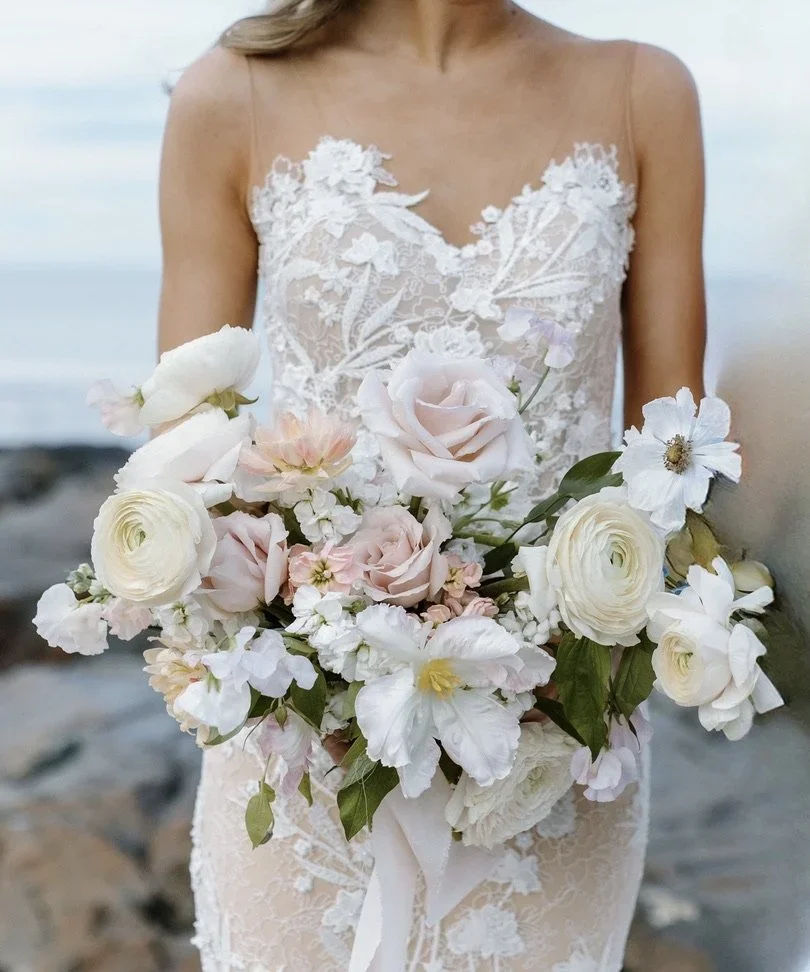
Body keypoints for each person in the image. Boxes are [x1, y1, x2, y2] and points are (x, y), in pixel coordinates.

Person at [157, 1, 706, 968]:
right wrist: (318, 636)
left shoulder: (640, 91)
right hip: (305, 745)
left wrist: (578, 658)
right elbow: (185, 459)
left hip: (555, 749)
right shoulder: (230, 91)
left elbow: (673, 458)